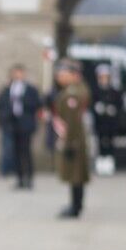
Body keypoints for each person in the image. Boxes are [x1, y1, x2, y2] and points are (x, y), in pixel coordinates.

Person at [52, 58, 90, 217]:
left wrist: (69, 143)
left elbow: (72, 122)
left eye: (62, 73)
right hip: (76, 140)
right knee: (76, 174)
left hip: (74, 140)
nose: (59, 77)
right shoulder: (74, 90)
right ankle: (76, 204)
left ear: (73, 75)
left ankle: (75, 207)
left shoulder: (72, 94)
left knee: (75, 174)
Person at [0, 64, 40, 188]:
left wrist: (20, 100)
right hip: (12, 124)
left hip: (26, 125)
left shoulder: (30, 89)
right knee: (15, 153)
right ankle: (19, 179)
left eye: (19, 73)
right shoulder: (7, 90)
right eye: (15, 73)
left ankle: (29, 178)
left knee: (26, 152)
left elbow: (36, 104)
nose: (17, 75)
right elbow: (0, 105)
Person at [91, 64, 123, 176]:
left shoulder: (114, 91)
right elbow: (91, 104)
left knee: (110, 142)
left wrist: (113, 109)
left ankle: (109, 163)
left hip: (110, 123)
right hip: (100, 123)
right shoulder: (95, 91)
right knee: (100, 142)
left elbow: (120, 105)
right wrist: (96, 108)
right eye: (102, 77)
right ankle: (101, 164)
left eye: (106, 77)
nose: (104, 79)